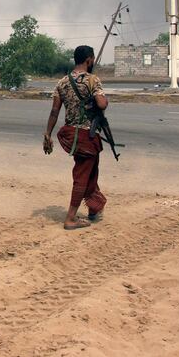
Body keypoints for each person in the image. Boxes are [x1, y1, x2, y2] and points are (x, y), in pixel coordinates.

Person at [43, 45, 108, 230]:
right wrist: (104, 101)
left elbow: (54, 111)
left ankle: (93, 209)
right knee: (82, 174)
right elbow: (102, 104)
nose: (93, 62)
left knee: (90, 171)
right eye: (93, 59)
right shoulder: (92, 80)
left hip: (72, 134)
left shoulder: (62, 82)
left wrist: (47, 133)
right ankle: (70, 218)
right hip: (87, 135)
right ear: (89, 59)